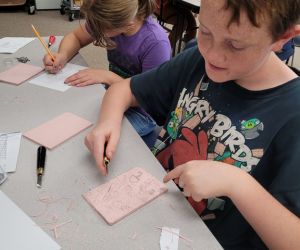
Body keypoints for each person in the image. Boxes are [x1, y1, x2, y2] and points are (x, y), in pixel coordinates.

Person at [85, 0, 300, 249]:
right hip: (148, 214)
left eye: (235, 44)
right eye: (205, 31)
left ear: (283, 38)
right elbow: (124, 89)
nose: (212, 53)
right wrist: (107, 123)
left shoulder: (293, 115)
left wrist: (237, 184)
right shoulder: (196, 60)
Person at [43, 0, 171, 148]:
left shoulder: (156, 43)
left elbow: (150, 98)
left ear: (128, 23)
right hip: (113, 96)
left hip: (142, 112)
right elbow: (76, 37)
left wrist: (106, 76)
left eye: (100, 28)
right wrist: (62, 55)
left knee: (90, 139)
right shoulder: (110, 21)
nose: (95, 30)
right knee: (71, 117)